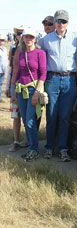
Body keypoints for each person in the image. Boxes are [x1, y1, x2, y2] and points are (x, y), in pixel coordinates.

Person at [39, 10, 77, 162]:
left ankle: (63, 149)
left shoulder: (75, 39)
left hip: (69, 80)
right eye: (58, 21)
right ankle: (49, 147)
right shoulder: (45, 40)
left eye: (64, 21)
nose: (61, 24)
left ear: (68, 23)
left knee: (65, 117)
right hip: (52, 80)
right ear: (54, 22)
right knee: (51, 116)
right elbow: (40, 61)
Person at [12, 27, 47, 161]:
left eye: (31, 37)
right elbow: (18, 73)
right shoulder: (21, 54)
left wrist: (37, 92)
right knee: (26, 120)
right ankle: (31, 148)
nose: (28, 39)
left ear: (35, 39)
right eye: (26, 37)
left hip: (33, 89)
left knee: (30, 121)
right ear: (23, 38)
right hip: (21, 90)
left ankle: (34, 149)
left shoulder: (40, 53)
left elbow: (43, 73)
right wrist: (15, 92)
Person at [6, 26, 28, 152]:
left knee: (26, 114)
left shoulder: (31, 50)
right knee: (15, 114)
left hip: (26, 84)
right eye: (18, 34)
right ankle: (15, 140)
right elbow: (11, 69)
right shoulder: (13, 50)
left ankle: (27, 139)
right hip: (15, 84)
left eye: (22, 34)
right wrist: (9, 86)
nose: (20, 36)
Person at [0, 34, 8, 102]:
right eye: (0, 40)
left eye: (2, 40)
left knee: (0, 84)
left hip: (3, 70)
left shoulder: (4, 49)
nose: (1, 41)